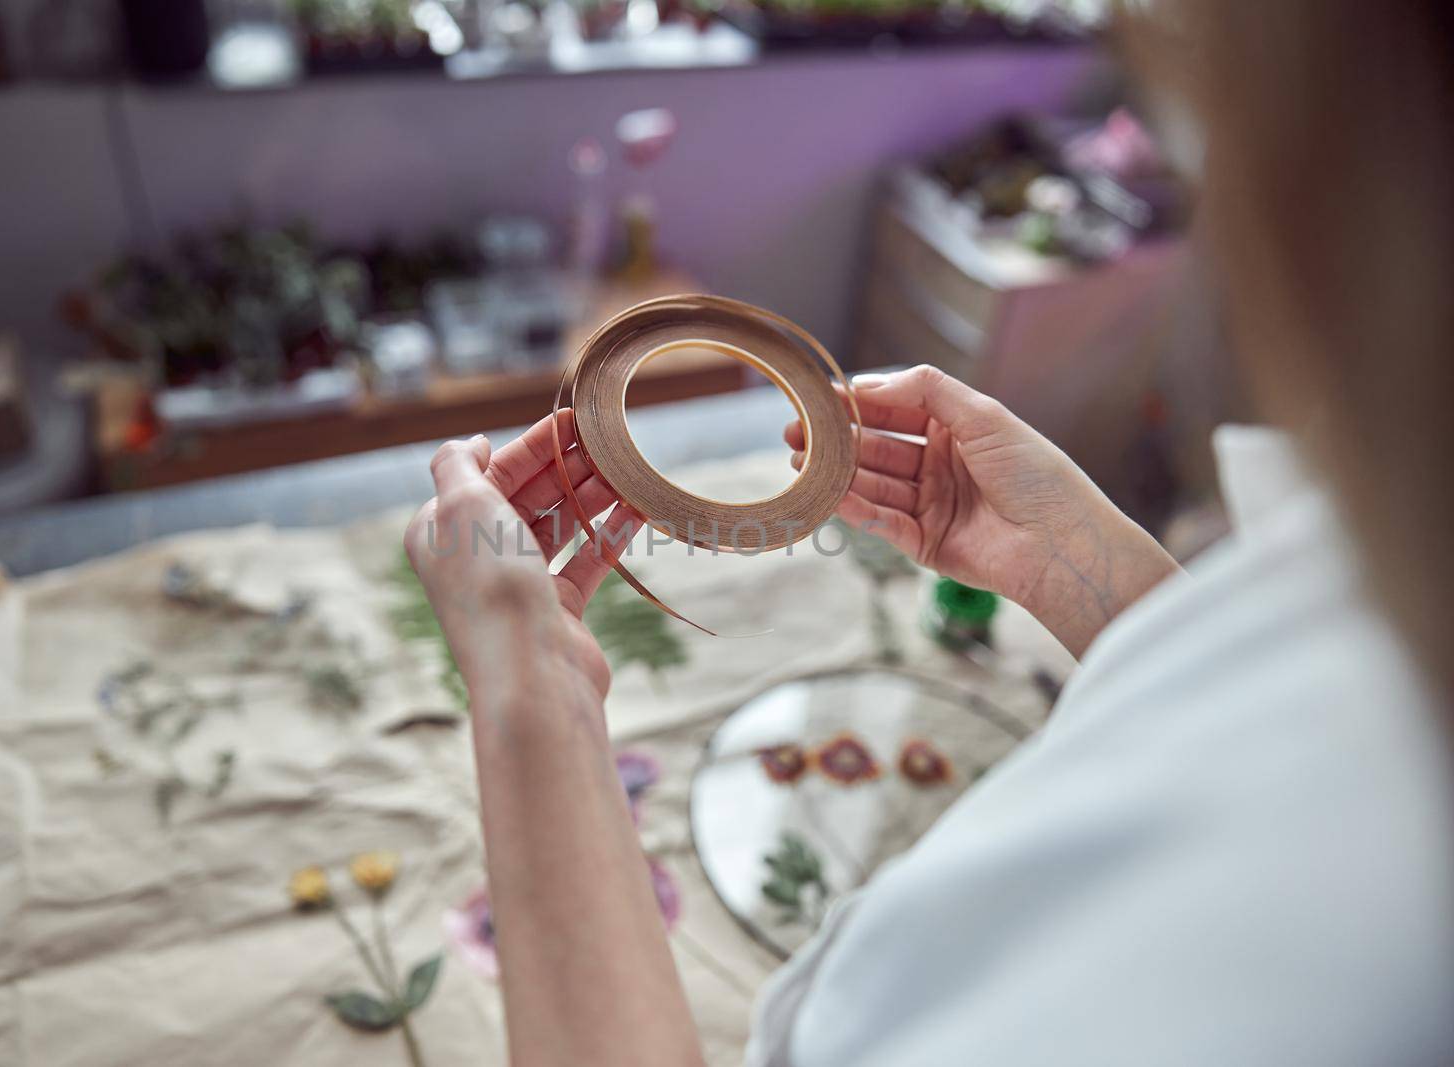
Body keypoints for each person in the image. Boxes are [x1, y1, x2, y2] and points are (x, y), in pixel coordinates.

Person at [404, 3, 1454, 1063]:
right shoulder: (1384, 575)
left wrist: (528, 688)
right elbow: (1268, 724)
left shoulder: (1369, 959)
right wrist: (1081, 566)